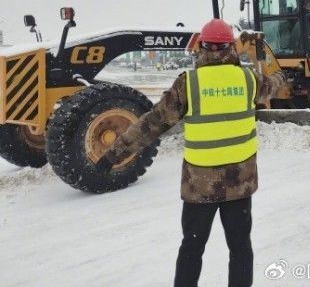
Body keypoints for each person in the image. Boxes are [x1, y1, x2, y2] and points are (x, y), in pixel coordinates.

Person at [95, 19, 286, 287]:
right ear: (231, 47)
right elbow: (272, 85)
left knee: (192, 249)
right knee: (240, 248)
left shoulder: (188, 85)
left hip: (200, 189)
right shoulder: (248, 79)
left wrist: (113, 155)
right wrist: (283, 75)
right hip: (239, 186)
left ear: (202, 47)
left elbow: (151, 124)